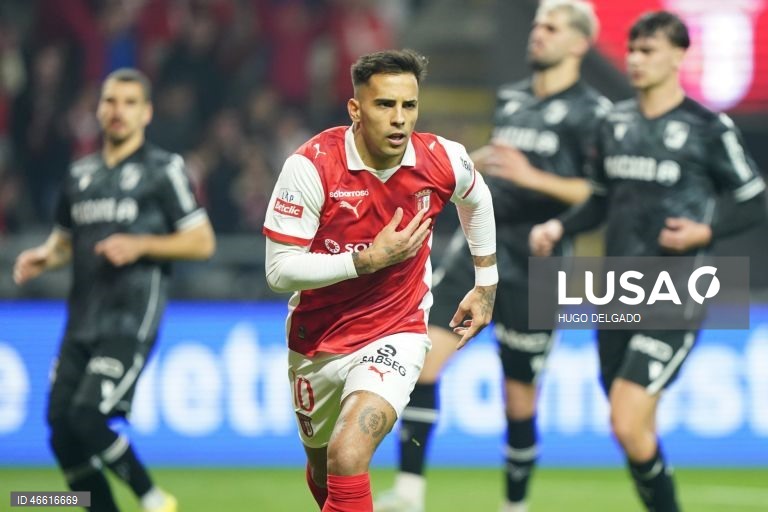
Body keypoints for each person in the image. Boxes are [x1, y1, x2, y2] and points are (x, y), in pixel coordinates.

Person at [375, 2, 609, 511]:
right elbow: (497, 167)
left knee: (519, 396)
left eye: (551, 27)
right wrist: (474, 165)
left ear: (578, 44)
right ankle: (409, 494)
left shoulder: (595, 114)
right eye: (537, 25)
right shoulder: (512, 99)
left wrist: (532, 177)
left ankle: (514, 505)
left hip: (539, 265)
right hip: (480, 253)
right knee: (421, 361)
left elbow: (599, 194)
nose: (537, 33)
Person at [530, 11, 765, 512]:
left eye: (648, 50)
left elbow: (754, 199)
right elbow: (598, 198)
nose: (635, 60)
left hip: (676, 291)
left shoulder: (707, 127)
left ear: (679, 55)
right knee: (632, 431)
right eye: (632, 50)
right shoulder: (613, 124)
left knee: (626, 417)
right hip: (617, 291)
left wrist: (706, 229)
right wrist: (560, 226)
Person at [262, 48, 497, 512]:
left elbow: (477, 199)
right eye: (384, 105)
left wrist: (485, 283)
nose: (399, 119)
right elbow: (278, 271)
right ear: (355, 108)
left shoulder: (441, 159)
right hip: (318, 341)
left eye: (408, 106)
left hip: (397, 331)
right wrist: (365, 261)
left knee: (348, 455)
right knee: (325, 475)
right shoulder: (311, 166)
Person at [13, 68, 215, 512]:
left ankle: (153, 499)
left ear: (146, 113)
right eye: (109, 101)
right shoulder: (79, 175)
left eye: (128, 102)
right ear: (99, 109)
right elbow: (65, 241)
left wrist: (142, 243)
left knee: (87, 417)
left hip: (130, 317)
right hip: (81, 320)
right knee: (61, 429)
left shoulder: (164, 170)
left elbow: (202, 241)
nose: (117, 110)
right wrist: (44, 256)